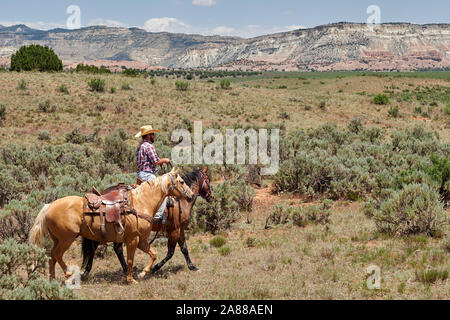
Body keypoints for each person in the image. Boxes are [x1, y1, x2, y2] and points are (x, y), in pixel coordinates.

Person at [135, 125, 172, 224]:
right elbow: (156, 161)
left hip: (140, 175)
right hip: (148, 175)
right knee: (164, 192)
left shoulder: (140, 146)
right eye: (152, 134)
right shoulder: (148, 146)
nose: (153, 136)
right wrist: (165, 160)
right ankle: (158, 216)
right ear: (147, 135)